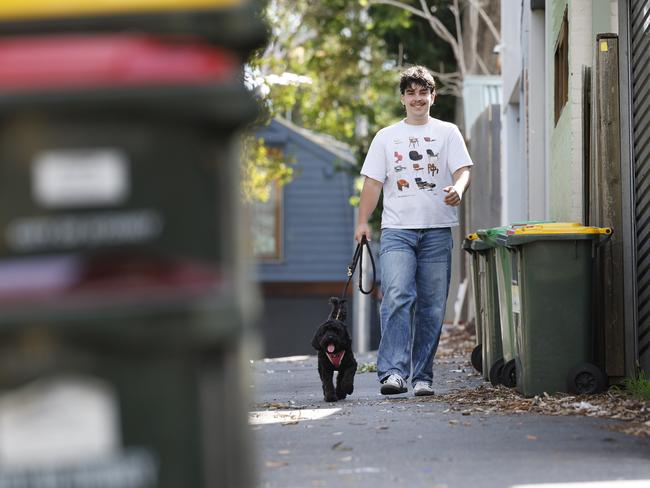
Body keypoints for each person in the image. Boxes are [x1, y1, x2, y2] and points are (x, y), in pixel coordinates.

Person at [354, 65, 472, 396]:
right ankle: (393, 372)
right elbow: (373, 183)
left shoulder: (448, 132)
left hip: (436, 231)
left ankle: (422, 376)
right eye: (411, 93)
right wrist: (363, 221)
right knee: (396, 296)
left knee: (432, 306)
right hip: (397, 231)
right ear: (403, 98)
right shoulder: (386, 137)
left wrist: (459, 189)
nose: (417, 98)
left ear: (432, 96)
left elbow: (463, 170)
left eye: (423, 93)